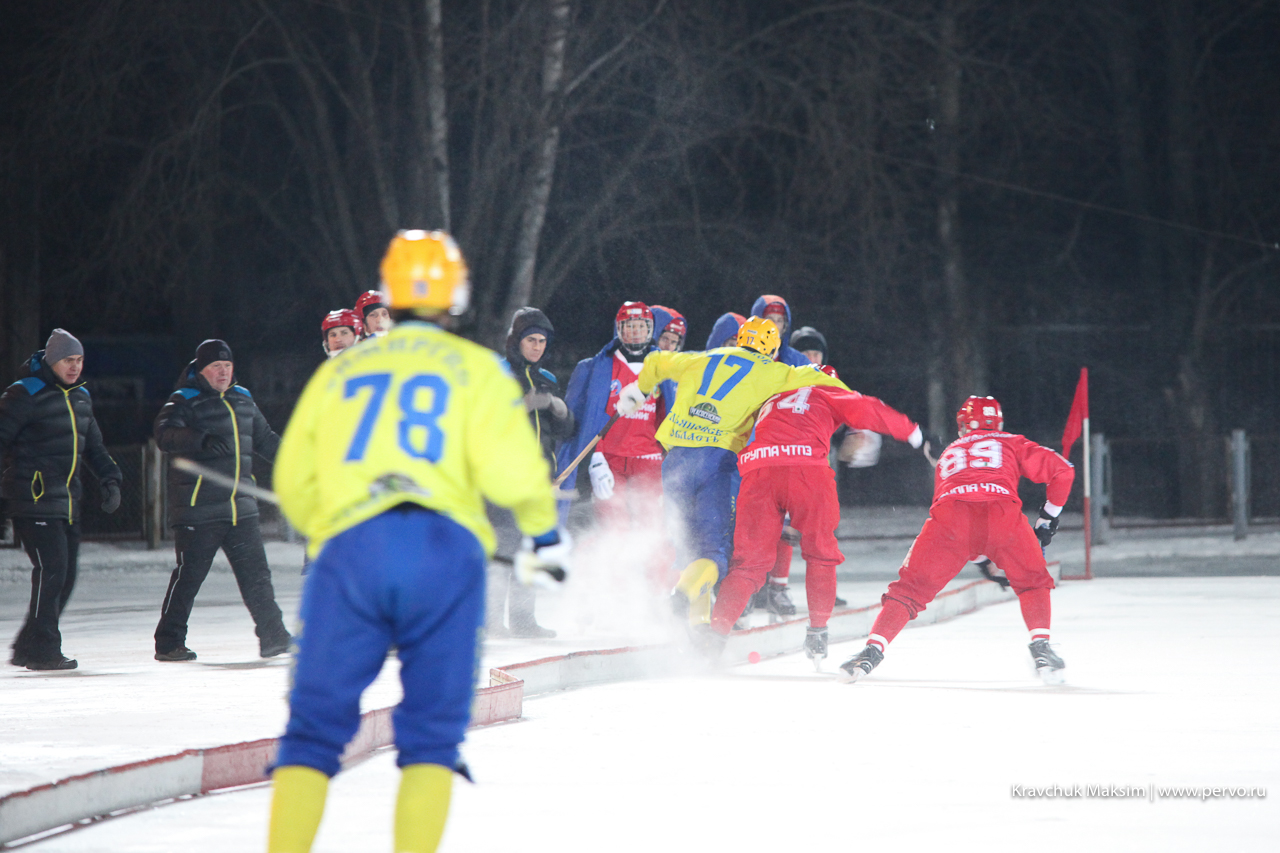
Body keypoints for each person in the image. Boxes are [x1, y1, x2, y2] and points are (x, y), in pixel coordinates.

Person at [267, 229, 567, 853]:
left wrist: (333, 536)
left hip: (350, 550)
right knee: (431, 737)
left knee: (313, 733)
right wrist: (544, 537)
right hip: (444, 552)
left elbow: (294, 481)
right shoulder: (479, 369)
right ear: (454, 296)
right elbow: (516, 475)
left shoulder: (344, 368)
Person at [615, 316, 846, 624]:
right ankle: (682, 596)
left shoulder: (702, 358)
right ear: (772, 347)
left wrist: (638, 389)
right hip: (718, 463)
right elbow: (824, 380)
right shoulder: (774, 371)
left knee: (688, 546)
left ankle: (697, 628)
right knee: (716, 551)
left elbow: (656, 361)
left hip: (676, 460)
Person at [839, 396, 1075, 684]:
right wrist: (1047, 518)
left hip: (949, 518)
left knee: (908, 591)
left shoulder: (951, 450)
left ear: (962, 425)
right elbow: (1064, 471)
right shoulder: (1010, 442)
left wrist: (980, 556)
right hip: (1002, 513)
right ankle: (1041, 647)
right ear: (997, 423)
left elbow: (965, 522)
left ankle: (871, 650)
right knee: (1033, 581)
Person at [708, 365, 924, 664]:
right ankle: (818, 631)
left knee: (748, 564)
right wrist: (912, 432)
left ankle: (715, 635)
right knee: (821, 553)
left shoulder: (773, 395)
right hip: (807, 470)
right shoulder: (829, 390)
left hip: (759, 470)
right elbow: (869, 408)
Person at [152, 339, 291, 662]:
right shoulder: (184, 400)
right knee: (189, 577)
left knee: (257, 575)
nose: (223, 373)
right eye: (216, 367)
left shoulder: (243, 399)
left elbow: (266, 439)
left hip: (240, 508)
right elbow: (164, 433)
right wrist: (199, 439)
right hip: (198, 509)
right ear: (201, 370)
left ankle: (274, 637)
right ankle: (169, 641)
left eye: (227, 367)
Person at [2, 330, 122, 670]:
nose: (74, 367)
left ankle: (28, 645)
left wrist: (111, 479)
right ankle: (43, 649)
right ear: (52, 361)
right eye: (68, 360)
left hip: (67, 501)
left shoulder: (81, 397)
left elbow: (94, 447)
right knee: (52, 569)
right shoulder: (24, 393)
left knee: (65, 576)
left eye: (79, 360)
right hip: (32, 498)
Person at [487, 306, 574, 638]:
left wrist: (560, 410)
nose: (537, 347)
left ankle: (524, 621)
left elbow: (565, 431)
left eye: (542, 341)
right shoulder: (497, 372)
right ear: (516, 340)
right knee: (504, 549)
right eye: (530, 340)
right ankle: (492, 621)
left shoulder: (546, 379)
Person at [557, 302, 666, 539]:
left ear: (650, 330)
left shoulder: (663, 368)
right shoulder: (596, 367)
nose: (636, 332)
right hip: (610, 459)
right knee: (613, 524)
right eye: (630, 326)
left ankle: (654, 574)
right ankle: (612, 573)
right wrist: (595, 458)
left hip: (649, 459)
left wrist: (672, 460)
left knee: (652, 527)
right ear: (619, 330)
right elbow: (580, 421)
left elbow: (671, 415)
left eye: (641, 326)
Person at [751, 295, 810, 367]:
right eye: (770, 319)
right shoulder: (742, 358)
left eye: (780, 321)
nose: (775, 325)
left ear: (785, 327)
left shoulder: (799, 361)